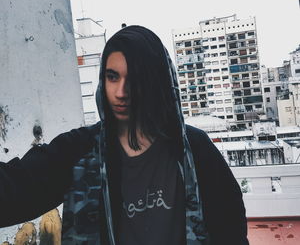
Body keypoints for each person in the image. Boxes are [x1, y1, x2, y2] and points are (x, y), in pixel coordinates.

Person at [0, 25, 249, 245]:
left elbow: (230, 228)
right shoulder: (80, 151)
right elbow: (18, 189)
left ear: (155, 82)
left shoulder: (194, 150)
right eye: (112, 77)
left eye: (134, 79)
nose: (121, 92)